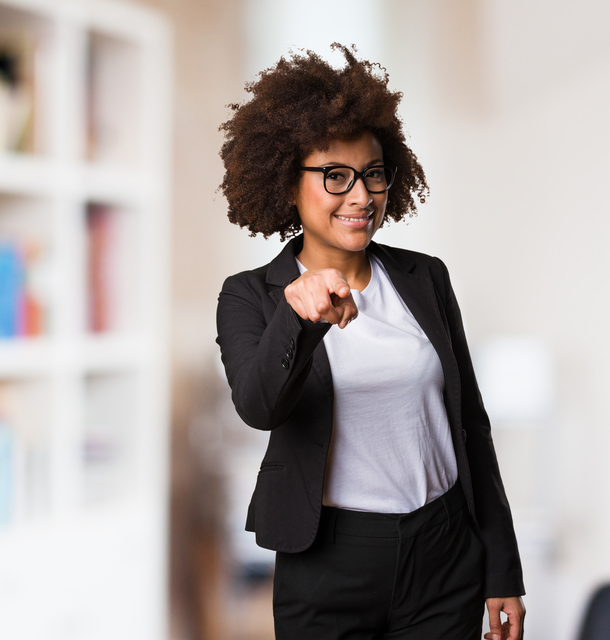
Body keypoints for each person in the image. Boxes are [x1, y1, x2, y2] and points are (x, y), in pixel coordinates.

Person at [214, 44, 526, 640]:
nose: (361, 196)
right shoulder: (251, 296)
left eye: (373, 174)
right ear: (288, 184)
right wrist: (298, 318)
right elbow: (258, 407)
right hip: (329, 561)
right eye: (335, 175)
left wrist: (501, 569)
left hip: (444, 553)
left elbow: (471, 426)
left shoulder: (424, 277)